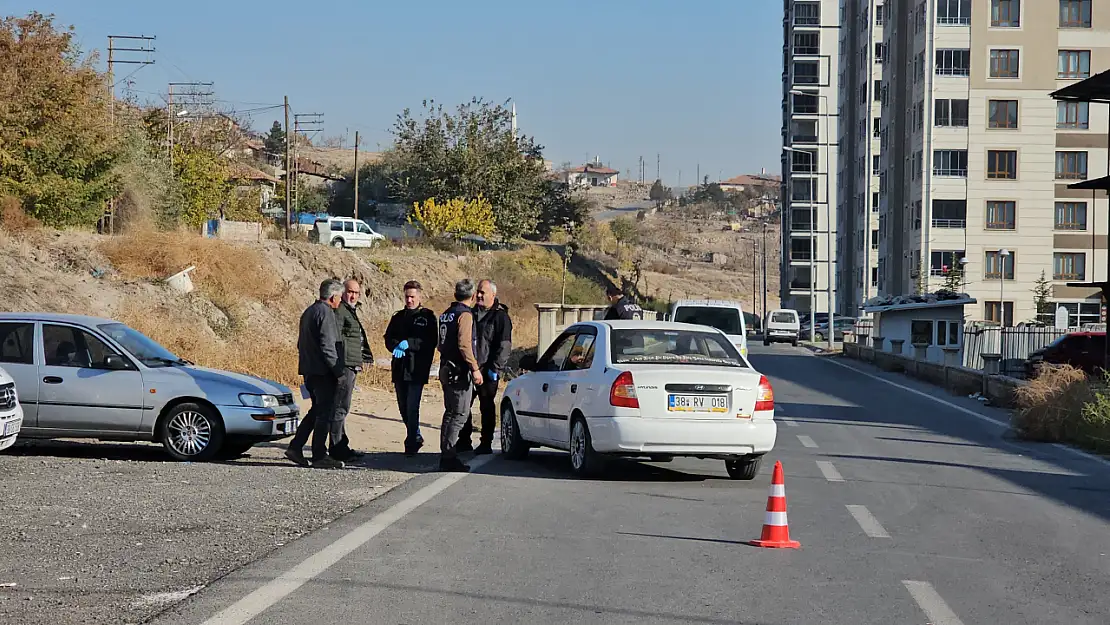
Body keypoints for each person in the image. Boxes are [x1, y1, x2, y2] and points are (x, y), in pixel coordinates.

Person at [286, 278, 347, 470]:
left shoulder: (309, 311)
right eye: (340, 297)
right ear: (333, 296)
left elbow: (300, 344)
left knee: (316, 410)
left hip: (309, 370)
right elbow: (327, 346)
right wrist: (338, 371)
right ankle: (319, 455)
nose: (341, 301)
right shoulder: (325, 313)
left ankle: (296, 446)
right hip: (322, 372)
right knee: (324, 413)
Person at [458, 279, 512, 455]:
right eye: (478, 292)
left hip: (488, 371)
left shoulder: (500, 317)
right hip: (469, 369)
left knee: (486, 407)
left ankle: (485, 442)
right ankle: (464, 440)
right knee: (463, 405)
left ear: (493, 295)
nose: (479, 295)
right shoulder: (470, 313)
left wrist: (495, 369)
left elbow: (504, 346)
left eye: (483, 292)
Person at [384, 280, 437, 457]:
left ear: (419, 296)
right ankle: (416, 435)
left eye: (413, 297)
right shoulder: (398, 317)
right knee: (403, 407)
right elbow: (388, 338)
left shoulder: (427, 317)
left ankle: (411, 441)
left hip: (417, 369)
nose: (409, 300)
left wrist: (410, 343)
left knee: (412, 406)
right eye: (407, 297)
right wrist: (396, 345)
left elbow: (430, 342)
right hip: (400, 368)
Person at [436, 279, 483, 473]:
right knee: (459, 414)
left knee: (450, 413)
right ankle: (449, 455)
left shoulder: (446, 314)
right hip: (459, 371)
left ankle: (446, 453)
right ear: (472, 296)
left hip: (446, 367)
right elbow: (465, 344)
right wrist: (475, 368)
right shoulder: (464, 315)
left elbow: (440, 344)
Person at [330, 277, 374, 462]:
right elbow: (336, 338)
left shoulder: (350, 310)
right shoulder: (341, 311)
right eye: (350, 292)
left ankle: (342, 445)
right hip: (344, 365)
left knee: (343, 407)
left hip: (351, 363)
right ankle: (337, 448)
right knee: (340, 407)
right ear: (343, 291)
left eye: (356, 292)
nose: (353, 295)